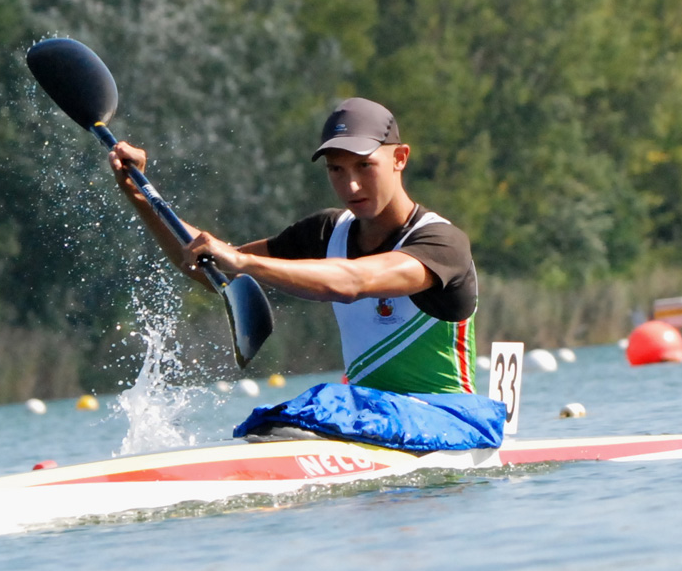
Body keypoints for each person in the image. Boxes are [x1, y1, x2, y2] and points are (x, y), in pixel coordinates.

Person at [108, 97, 478, 396]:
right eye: (337, 170)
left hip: (448, 418)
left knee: (318, 404)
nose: (350, 186)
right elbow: (209, 270)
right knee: (273, 421)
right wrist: (139, 196)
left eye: (364, 167)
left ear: (399, 159)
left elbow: (351, 282)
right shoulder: (327, 231)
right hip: (367, 413)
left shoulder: (442, 244)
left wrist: (243, 261)